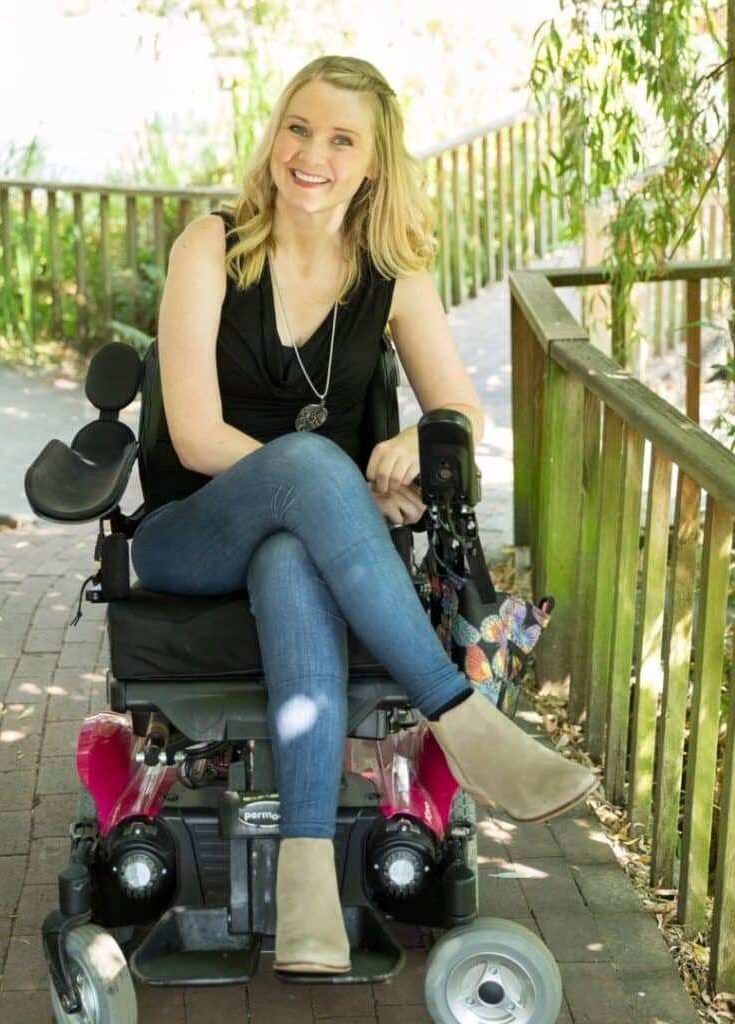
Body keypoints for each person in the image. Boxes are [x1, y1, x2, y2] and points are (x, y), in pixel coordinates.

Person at [130, 55, 595, 976]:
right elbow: (192, 434)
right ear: (275, 135)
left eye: (341, 139)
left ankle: (307, 887)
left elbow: (461, 410)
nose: (311, 154)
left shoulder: (392, 273)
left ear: (374, 163)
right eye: (298, 128)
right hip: (189, 532)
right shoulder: (210, 245)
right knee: (307, 472)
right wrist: (340, 480)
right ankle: (462, 717)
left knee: (293, 561)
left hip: (291, 545)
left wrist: (424, 440)